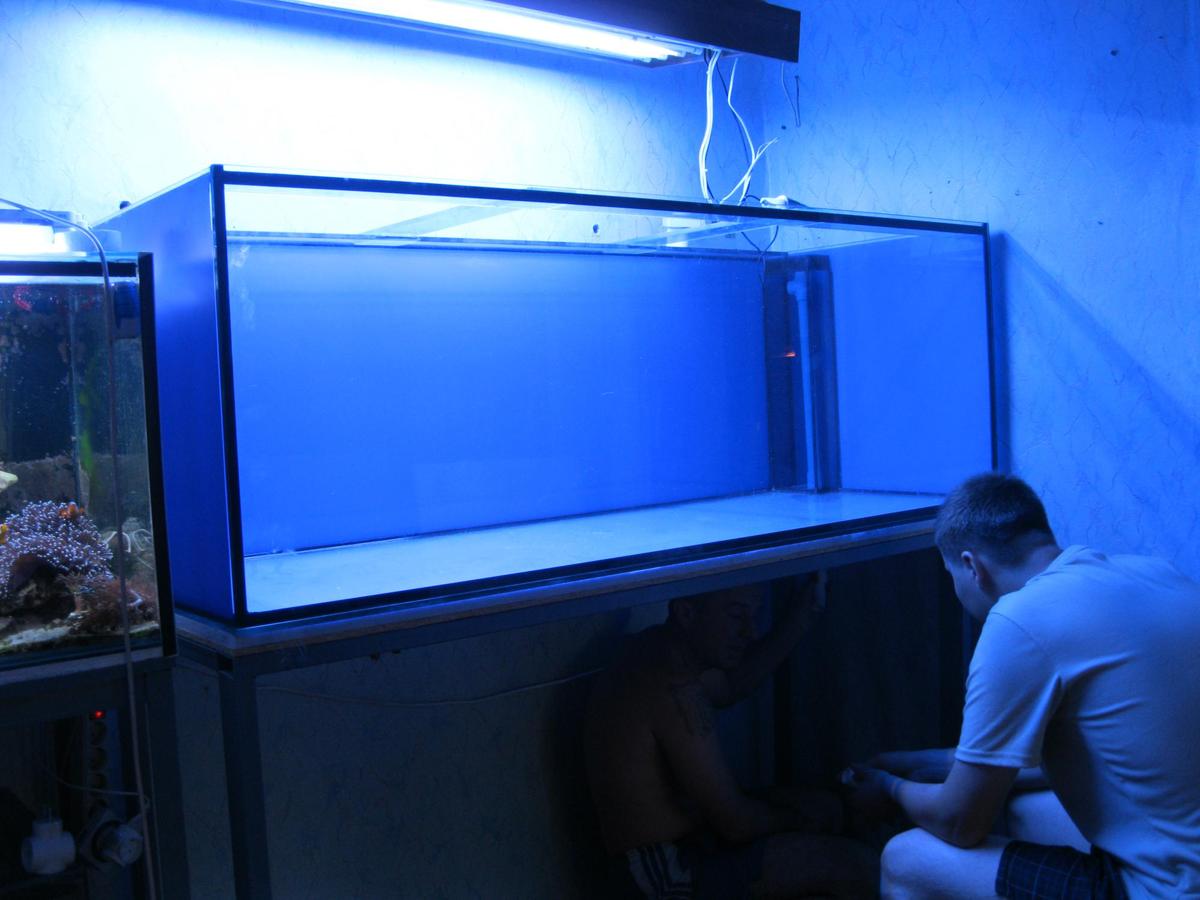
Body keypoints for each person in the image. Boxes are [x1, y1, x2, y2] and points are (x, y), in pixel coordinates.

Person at [847, 473, 1200, 898]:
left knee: (905, 859)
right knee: (1026, 810)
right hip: (1184, 852)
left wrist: (890, 790)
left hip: (1172, 888)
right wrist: (908, 762)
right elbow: (1090, 760)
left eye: (951, 575)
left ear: (972, 567)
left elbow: (959, 821)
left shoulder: (1019, 620)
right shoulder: (1156, 575)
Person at [585, 575, 878, 899]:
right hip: (661, 875)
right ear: (686, 613)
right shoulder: (669, 683)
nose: (751, 632)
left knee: (828, 808)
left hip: (693, 841)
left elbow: (730, 686)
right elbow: (736, 823)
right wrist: (802, 820)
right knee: (849, 863)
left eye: (754, 615)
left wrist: (803, 615)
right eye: (737, 615)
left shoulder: (668, 650)